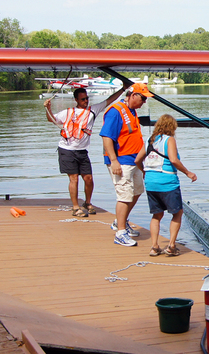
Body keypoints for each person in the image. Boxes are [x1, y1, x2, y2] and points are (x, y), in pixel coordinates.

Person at [44, 85, 126, 217]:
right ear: (76, 100)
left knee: (88, 178)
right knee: (74, 179)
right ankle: (75, 207)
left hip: (82, 151)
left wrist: (123, 89)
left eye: (87, 98)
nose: (86, 101)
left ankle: (87, 203)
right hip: (66, 149)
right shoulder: (68, 112)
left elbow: (109, 100)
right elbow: (51, 119)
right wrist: (48, 108)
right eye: (83, 99)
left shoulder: (93, 110)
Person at [135, 114, 197, 256]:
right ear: (172, 127)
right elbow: (174, 160)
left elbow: (138, 160)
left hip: (150, 183)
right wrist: (188, 173)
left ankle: (155, 247)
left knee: (156, 215)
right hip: (167, 182)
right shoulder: (169, 140)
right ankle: (171, 246)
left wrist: (144, 172)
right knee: (177, 213)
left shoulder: (149, 141)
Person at [100, 83, 152, 247]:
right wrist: (114, 160)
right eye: (142, 98)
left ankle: (120, 221)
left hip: (133, 160)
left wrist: (142, 165)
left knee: (137, 191)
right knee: (124, 194)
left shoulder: (132, 111)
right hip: (121, 160)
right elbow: (107, 137)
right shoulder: (115, 111)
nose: (144, 102)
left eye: (145, 99)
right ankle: (120, 233)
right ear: (132, 95)